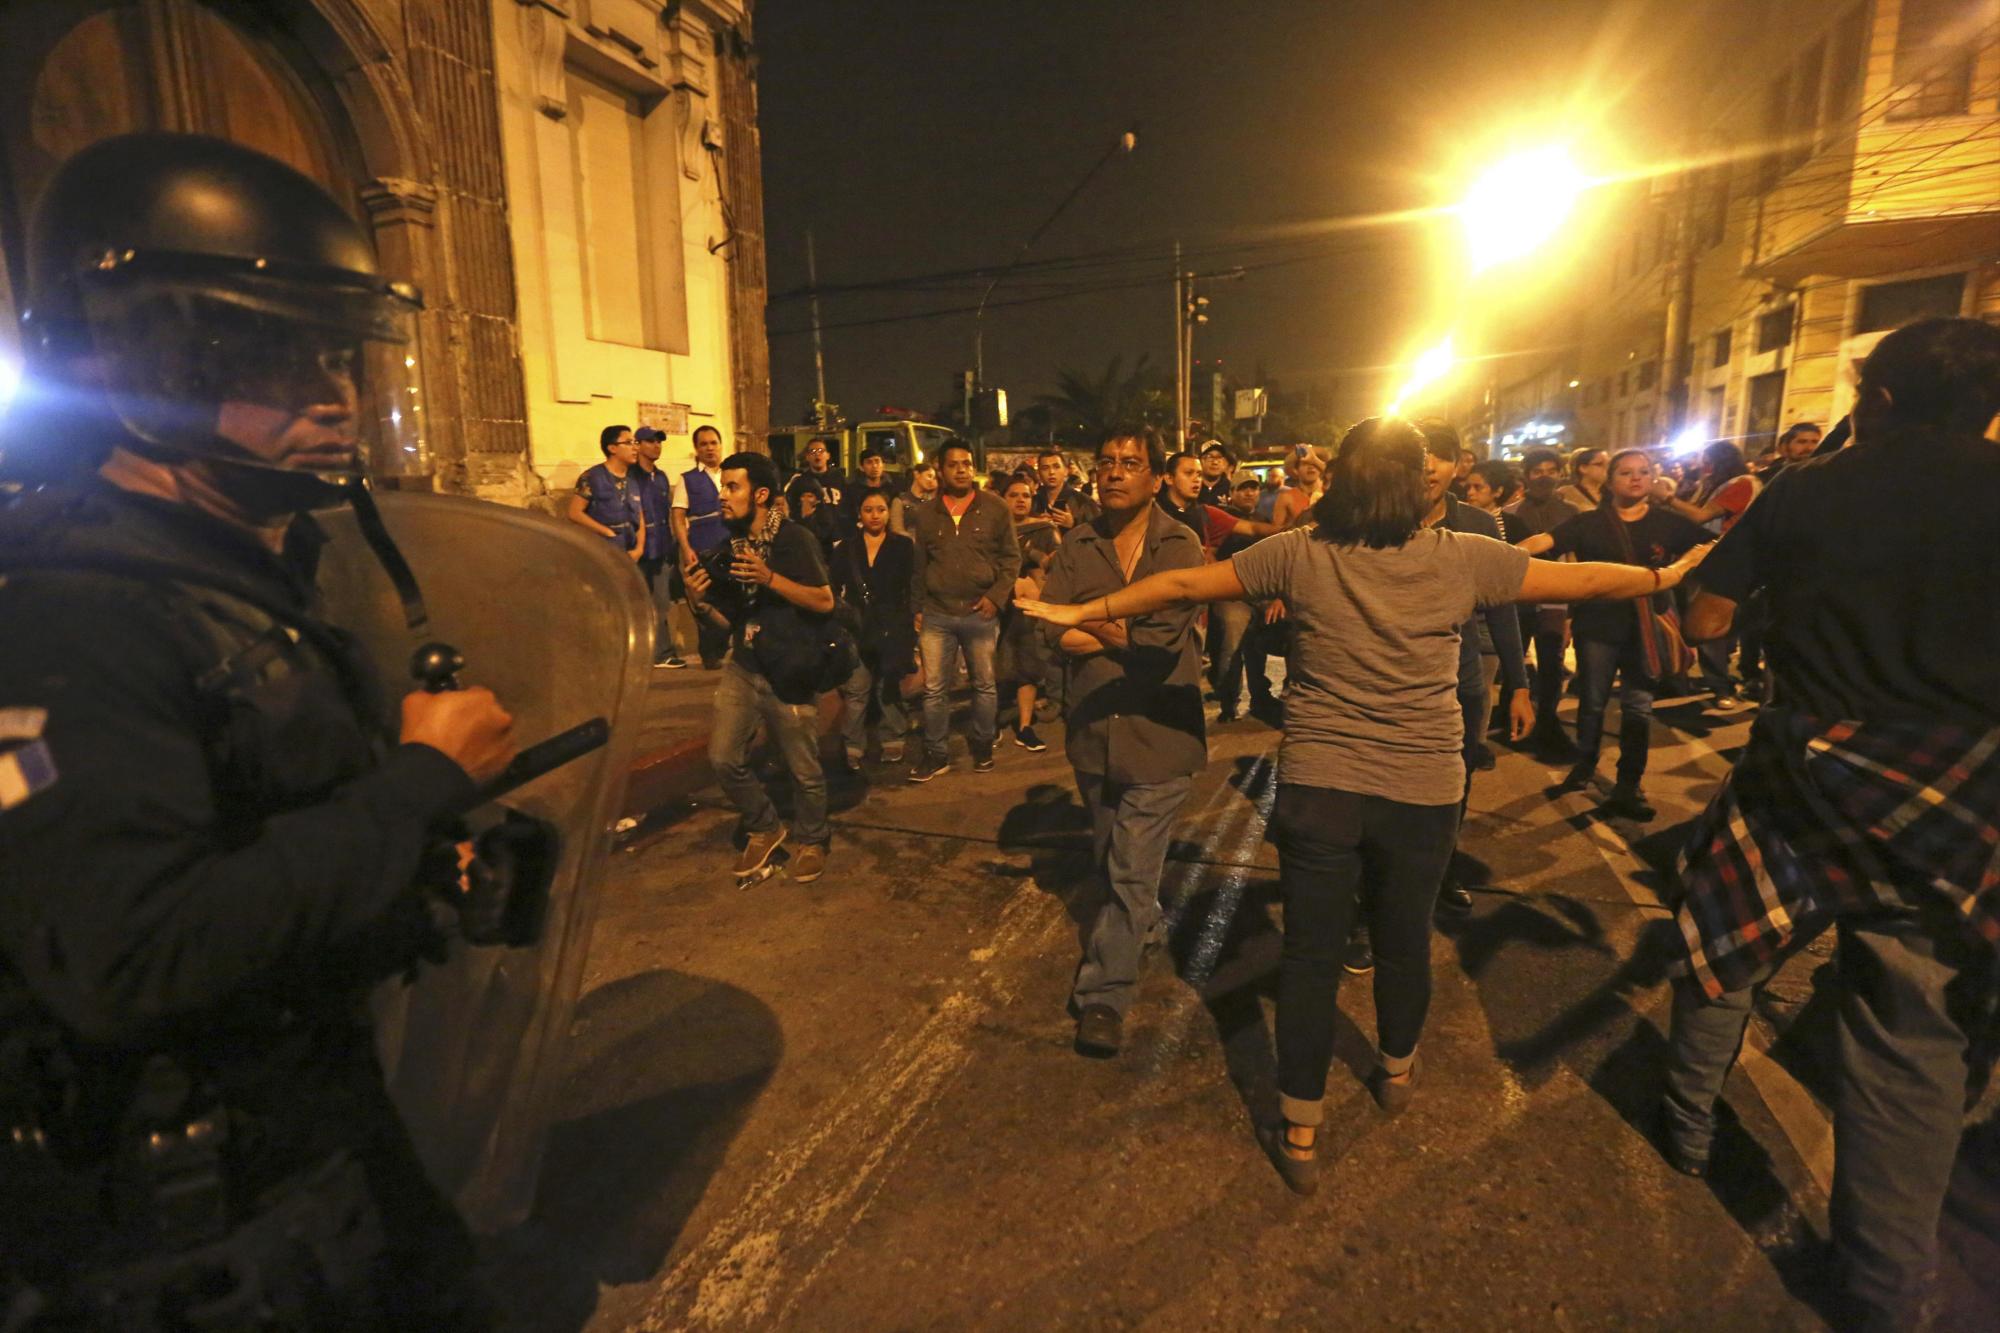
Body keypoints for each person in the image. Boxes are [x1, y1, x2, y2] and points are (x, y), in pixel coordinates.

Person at [0, 132, 518, 1323]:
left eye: (337, 351)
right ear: (135, 367)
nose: (334, 389)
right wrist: (418, 785)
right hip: (198, 1227)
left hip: (310, 1148)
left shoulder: (234, 572)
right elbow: (130, 956)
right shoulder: (70, 619)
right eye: (269, 353)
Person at [1018, 415, 1711, 1194]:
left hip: (1320, 781)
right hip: (1422, 789)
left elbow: (1183, 584)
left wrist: (1081, 612)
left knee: (1311, 955)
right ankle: (1395, 1069)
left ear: (1344, 480)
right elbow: (1580, 580)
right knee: (1403, 938)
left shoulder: (1300, 552)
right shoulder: (1466, 559)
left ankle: (1302, 1126)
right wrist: (1665, 576)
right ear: (1418, 482)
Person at [1663, 317, 2000, 1329]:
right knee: (1910, 1040)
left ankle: (1683, 1128)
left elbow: (1705, 618)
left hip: (1801, 771)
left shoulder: (1804, 490)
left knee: (1720, 943)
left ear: (1878, 398)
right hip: (1956, 790)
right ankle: (1884, 1291)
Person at [1032, 427, 1206, 1057]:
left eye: (1130, 464)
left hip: (1161, 734)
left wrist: (1088, 620)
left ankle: (1104, 995)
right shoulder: (1078, 543)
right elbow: (1050, 631)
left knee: (1131, 869)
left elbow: (1159, 648)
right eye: (1105, 463)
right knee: (1112, 859)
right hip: (1093, 729)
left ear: (1155, 478)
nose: (1114, 473)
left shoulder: (1181, 544)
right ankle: (1144, 926)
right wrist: (1104, 624)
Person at [1520, 449, 1711, 820]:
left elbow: (1711, 543)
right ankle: (1585, 765)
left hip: (1647, 629)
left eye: (1644, 471)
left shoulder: (1668, 524)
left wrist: (1686, 567)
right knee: (1591, 703)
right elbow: (1544, 542)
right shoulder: (1589, 523)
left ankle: (1628, 785)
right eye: (1625, 472)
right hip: (1598, 628)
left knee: (1638, 708)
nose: (1636, 478)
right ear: (1609, 481)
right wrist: (1501, 557)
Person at [683, 451, 836, 885]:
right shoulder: (731, 544)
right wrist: (700, 603)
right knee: (723, 757)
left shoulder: (794, 540)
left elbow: (824, 600)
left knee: (803, 768)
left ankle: (812, 838)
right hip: (745, 664)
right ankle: (765, 825)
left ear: (761, 494)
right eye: (722, 487)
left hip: (790, 667)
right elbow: (730, 619)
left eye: (733, 487)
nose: (722, 497)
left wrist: (770, 578)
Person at [1418, 424, 1532, 920]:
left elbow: (1503, 606)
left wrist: (1519, 685)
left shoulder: (1479, 526)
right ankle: (1376, 899)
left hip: (1462, 677)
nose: (1427, 466)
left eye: (1439, 456)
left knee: (1456, 781)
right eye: (1416, 454)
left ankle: (1441, 869)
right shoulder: (1374, 521)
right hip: (1399, 681)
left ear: (1457, 464)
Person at [906, 440, 1020, 780]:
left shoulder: (996, 508)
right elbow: (919, 564)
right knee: (935, 689)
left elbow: (1011, 559)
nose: (961, 469)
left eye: (967, 464)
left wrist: (996, 598)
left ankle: (983, 743)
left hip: (979, 614)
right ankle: (936, 753)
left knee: (984, 685)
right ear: (940, 470)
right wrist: (917, 606)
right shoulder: (926, 513)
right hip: (937, 614)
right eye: (954, 464)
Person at [1157, 452, 1284, 723]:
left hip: (1195, 606)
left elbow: (1252, 529)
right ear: (1167, 478)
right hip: (1160, 605)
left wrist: (1298, 533)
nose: (1196, 480)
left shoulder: (1204, 514)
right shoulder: (1151, 514)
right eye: (1188, 473)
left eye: (1199, 475)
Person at [1653, 440, 1761, 708]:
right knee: (1693, 623)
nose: (1702, 465)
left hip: (1726, 561)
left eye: (1706, 459)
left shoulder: (1740, 484)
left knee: (1709, 624)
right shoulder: (1713, 485)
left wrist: (1667, 497)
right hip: (1706, 559)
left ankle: (1721, 685)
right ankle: (1696, 677)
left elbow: (1701, 517)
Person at [832, 489, 918, 768]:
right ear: (860, 513)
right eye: (869, 509)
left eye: (881, 509)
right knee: (857, 688)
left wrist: (915, 618)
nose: (875, 515)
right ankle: (853, 744)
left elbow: (913, 585)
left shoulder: (902, 546)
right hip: (858, 626)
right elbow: (833, 587)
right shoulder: (845, 548)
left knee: (888, 684)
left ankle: (893, 737)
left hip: (893, 624)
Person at [1505, 447, 1581, 758]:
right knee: (1514, 660)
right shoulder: (1509, 514)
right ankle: (1511, 718)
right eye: (1538, 471)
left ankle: (1549, 722)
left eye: (1551, 470)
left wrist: (1573, 610)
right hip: (1518, 597)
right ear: (1526, 476)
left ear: (1560, 474)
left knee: (1551, 662)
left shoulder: (1572, 513)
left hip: (1556, 597)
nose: (1544, 476)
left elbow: (1576, 558)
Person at [998, 477, 1059, 751]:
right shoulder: (992, 528)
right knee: (996, 665)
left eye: (1025, 495)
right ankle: (991, 724)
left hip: (1030, 606)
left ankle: (1024, 726)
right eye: (1013, 495)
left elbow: (1053, 564)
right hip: (998, 604)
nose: (1021, 500)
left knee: (1028, 666)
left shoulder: (1044, 529)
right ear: (1003, 499)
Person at [672, 423, 730, 669]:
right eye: (703, 444)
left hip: (731, 548)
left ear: (720, 445)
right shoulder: (688, 480)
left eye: (713, 443)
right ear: (696, 449)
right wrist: (686, 549)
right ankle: (710, 654)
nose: (709, 448)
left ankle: (730, 648)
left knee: (731, 600)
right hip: (702, 549)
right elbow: (677, 516)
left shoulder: (732, 474)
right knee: (706, 602)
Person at [633, 427, 688, 668]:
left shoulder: (662, 476)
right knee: (641, 602)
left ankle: (662, 652)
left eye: (659, 441)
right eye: (650, 441)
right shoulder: (631, 477)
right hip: (639, 550)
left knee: (662, 602)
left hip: (662, 548)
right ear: (638, 445)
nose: (656, 445)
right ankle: (654, 652)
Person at [569, 424, 647, 563]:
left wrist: (639, 548)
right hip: (603, 553)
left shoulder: (632, 480)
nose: (636, 448)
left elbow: (639, 516)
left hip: (631, 553)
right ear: (612, 448)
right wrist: (607, 533)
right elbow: (574, 513)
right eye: (629, 443)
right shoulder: (591, 477)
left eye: (635, 443)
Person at [1031, 444, 1098, 532]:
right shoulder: (1033, 502)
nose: (1051, 472)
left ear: (1066, 471)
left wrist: (1073, 525)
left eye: (1056, 467)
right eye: (1045, 468)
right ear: (1038, 473)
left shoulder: (1083, 501)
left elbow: (1097, 534)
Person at [1464, 460, 1522, 530]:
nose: (1470, 492)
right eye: (1468, 487)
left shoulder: (1514, 525)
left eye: (1478, 487)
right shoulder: (1457, 519)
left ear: (1498, 491)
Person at [890, 459, 937, 537]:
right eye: (929, 476)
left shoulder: (931, 501)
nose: (931, 481)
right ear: (917, 474)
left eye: (933, 478)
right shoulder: (900, 500)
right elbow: (897, 529)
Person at [1557, 446, 1607, 511]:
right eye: (1599, 464)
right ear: (1583, 468)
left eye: (1609, 464)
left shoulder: (1614, 493)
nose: (1606, 468)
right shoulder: (1566, 493)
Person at [1197, 439, 1236, 507]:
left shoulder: (1231, 489)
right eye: (1210, 457)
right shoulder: (1192, 487)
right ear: (1200, 461)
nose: (1215, 462)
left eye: (1219, 457)